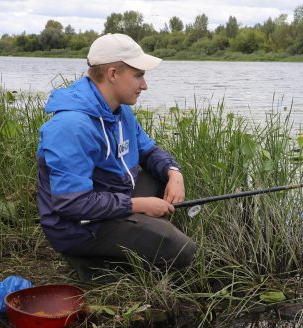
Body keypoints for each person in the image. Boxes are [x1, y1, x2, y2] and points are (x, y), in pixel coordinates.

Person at [37, 33, 196, 281]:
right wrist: (139, 206)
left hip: (113, 196)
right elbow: (71, 204)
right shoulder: (71, 126)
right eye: (138, 75)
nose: (144, 85)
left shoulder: (119, 112)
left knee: (162, 178)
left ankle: (137, 237)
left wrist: (174, 172)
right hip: (79, 227)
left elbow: (149, 151)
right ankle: (92, 262)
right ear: (112, 74)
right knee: (182, 251)